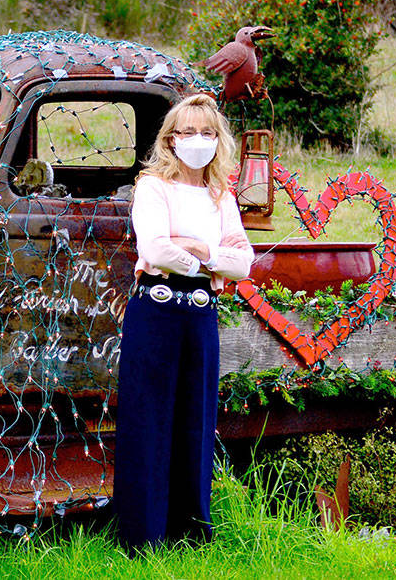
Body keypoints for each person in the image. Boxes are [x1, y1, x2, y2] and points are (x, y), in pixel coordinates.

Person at [114, 93, 255, 550]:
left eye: (208, 132)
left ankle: (190, 534)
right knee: (148, 419)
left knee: (197, 419)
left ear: (219, 140)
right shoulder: (153, 186)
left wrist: (205, 252)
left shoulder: (221, 195)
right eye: (189, 132)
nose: (198, 141)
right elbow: (155, 250)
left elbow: (244, 262)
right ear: (171, 139)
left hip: (200, 314)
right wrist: (208, 263)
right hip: (155, 309)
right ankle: (143, 537)